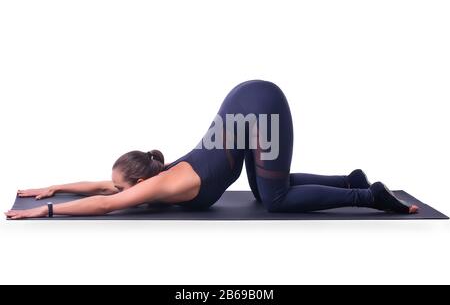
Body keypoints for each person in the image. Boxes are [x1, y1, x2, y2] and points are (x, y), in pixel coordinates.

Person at [5, 80, 418, 219]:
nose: (119, 192)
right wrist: (52, 186)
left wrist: (50, 210)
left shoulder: (161, 185)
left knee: (273, 199)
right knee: (263, 188)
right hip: (245, 104)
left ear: (141, 182)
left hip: (260, 108)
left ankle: (369, 196)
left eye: (124, 188)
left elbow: (104, 204)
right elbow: (102, 187)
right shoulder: (152, 173)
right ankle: (350, 180)